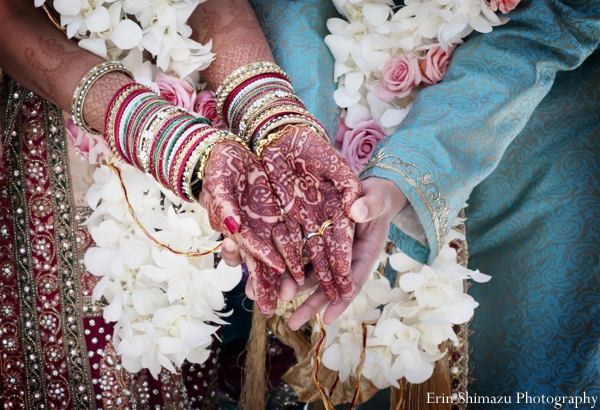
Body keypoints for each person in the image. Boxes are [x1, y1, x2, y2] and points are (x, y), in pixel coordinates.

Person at [278, 0, 599, 407]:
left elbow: (560, 17)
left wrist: (406, 174)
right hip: (333, 88)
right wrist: (298, 145)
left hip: (540, 143)